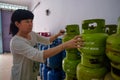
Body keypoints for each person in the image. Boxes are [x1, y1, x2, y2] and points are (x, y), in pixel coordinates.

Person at [9, 9, 84, 80]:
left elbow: (47, 40)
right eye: (27, 21)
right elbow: (39, 55)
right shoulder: (16, 42)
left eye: (31, 21)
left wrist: (57, 35)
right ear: (17, 24)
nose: (30, 24)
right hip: (21, 76)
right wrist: (65, 45)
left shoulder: (32, 34)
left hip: (32, 74)